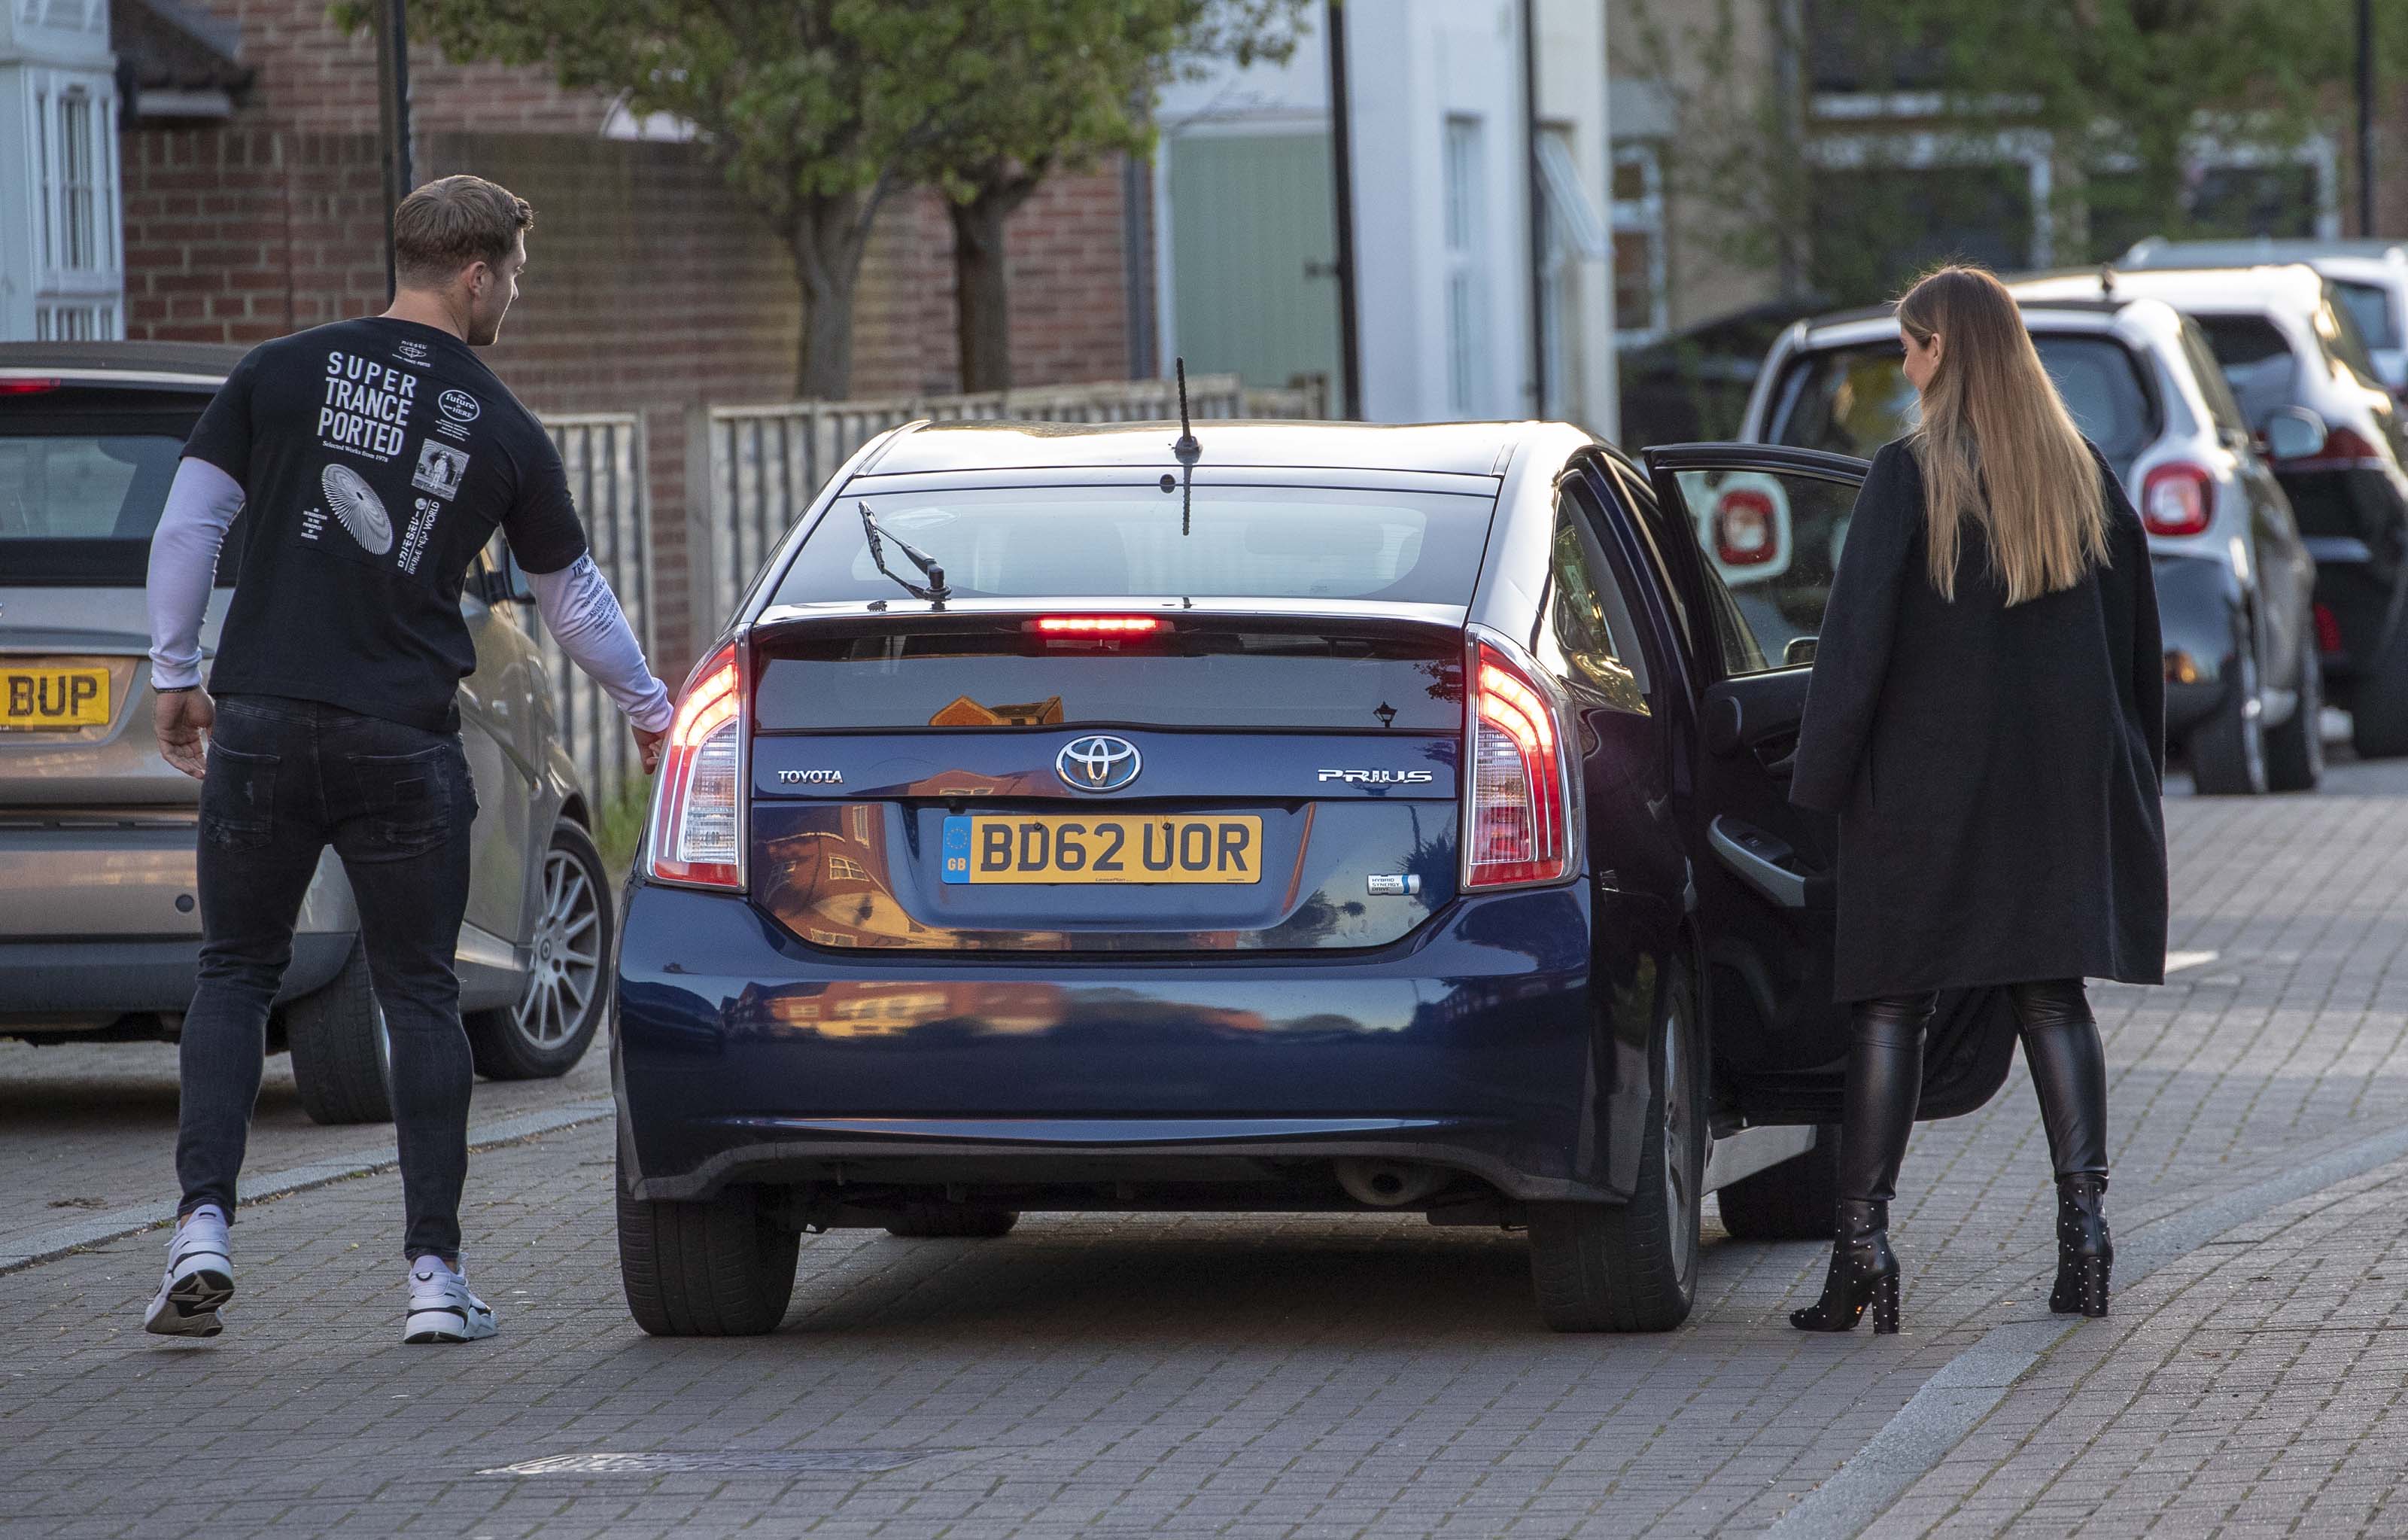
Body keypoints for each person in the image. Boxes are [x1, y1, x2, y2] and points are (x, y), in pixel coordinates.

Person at [141, 175, 678, 1344]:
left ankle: (201, 1228)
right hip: (400, 739)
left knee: (234, 972)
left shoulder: (277, 372)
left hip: (266, 723)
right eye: (516, 281)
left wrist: (175, 673)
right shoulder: (501, 425)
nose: (513, 302)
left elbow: (189, 527)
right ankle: (434, 1278)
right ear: (476, 273)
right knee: (422, 993)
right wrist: (650, 705)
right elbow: (572, 600)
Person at [1784, 263, 2169, 1335]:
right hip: (2055, 788)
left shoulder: (1908, 478)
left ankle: (1862, 1251)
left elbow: (1853, 651)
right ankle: (2084, 1232)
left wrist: (1817, 782)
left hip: (1924, 789)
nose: (1903, 367)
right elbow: (2136, 650)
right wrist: (2130, 774)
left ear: (1945, 349)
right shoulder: (2082, 473)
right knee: (2051, 995)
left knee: (1891, 1000)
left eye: (1911, 346)